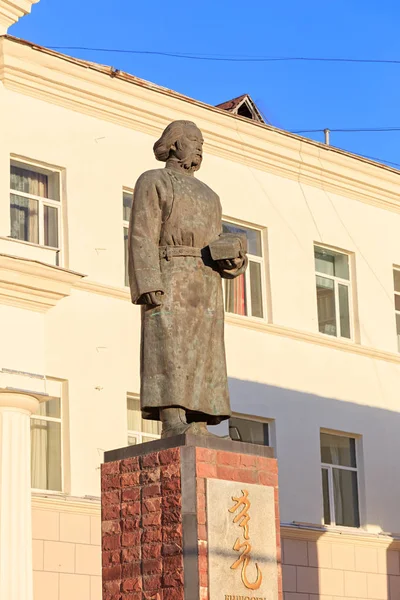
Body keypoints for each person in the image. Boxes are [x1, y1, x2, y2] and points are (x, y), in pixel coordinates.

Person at [128, 120, 247, 437]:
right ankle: (173, 417)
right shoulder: (154, 181)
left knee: (205, 349)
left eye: (202, 142)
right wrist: (148, 280)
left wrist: (234, 256)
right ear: (173, 143)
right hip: (171, 272)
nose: (199, 146)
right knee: (170, 345)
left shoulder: (210, 195)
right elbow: (141, 235)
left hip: (206, 280)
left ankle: (199, 415)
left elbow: (216, 240)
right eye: (193, 140)